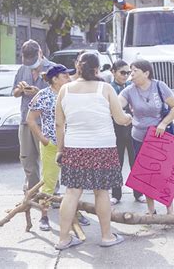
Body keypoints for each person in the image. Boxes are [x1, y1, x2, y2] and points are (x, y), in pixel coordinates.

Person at [55, 52, 132, 250]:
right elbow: (119, 119)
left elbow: (59, 124)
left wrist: (60, 149)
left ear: (77, 67)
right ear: (97, 69)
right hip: (102, 147)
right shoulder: (105, 88)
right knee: (102, 191)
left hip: (75, 147)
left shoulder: (65, 89)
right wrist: (129, 118)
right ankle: (107, 236)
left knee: (71, 193)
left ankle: (63, 239)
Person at [119, 60, 174, 215]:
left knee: (164, 174)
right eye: (130, 71)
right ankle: (151, 209)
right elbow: (117, 104)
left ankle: (169, 209)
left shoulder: (159, 86)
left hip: (159, 136)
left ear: (146, 73)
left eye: (134, 71)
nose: (131, 74)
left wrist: (163, 123)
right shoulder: (129, 90)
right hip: (139, 137)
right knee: (146, 175)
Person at [26, 64, 74, 231]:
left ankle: (75, 214)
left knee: (74, 182)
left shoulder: (71, 93)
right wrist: (43, 139)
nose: (69, 78)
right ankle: (44, 216)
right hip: (52, 143)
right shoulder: (44, 95)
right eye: (65, 76)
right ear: (55, 79)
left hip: (72, 143)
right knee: (49, 181)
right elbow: (30, 119)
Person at [12, 39, 55, 192]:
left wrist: (39, 93)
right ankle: (33, 191)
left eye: (33, 61)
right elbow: (15, 93)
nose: (30, 64)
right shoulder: (22, 69)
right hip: (26, 120)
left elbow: (59, 95)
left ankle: (50, 193)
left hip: (46, 122)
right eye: (27, 61)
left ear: (40, 53)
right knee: (27, 159)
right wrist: (21, 90)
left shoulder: (53, 69)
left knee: (49, 159)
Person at [109, 60, 146, 205]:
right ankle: (116, 194)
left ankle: (138, 192)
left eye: (128, 73)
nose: (125, 76)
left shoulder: (132, 87)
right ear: (113, 72)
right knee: (116, 163)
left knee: (135, 161)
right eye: (122, 72)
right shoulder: (109, 88)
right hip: (115, 130)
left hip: (132, 128)